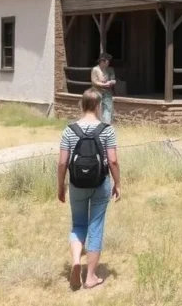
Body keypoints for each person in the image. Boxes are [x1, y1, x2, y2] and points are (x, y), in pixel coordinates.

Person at [57, 88, 120, 291]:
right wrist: (117, 183)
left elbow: (62, 162)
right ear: (99, 105)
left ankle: (77, 260)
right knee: (96, 226)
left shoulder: (69, 130)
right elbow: (113, 160)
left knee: (78, 224)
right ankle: (90, 277)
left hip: (76, 184)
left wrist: (61, 185)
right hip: (100, 183)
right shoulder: (107, 130)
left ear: (82, 105)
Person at [90, 53, 117, 123]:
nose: (108, 63)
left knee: (108, 108)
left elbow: (113, 79)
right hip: (97, 92)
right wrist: (103, 85)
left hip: (107, 92)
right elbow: (94, 81)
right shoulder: (95, 69)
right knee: (97, 108)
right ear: (102, 61)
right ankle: (97, 123)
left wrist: (111, 82)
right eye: (107, 61)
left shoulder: (110, 69)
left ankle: (106, 124)